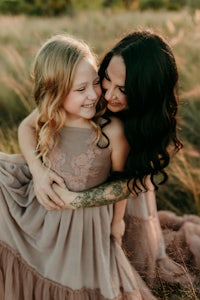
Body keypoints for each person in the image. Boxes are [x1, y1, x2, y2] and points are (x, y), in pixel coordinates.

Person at [18, 29, 199, 294]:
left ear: (145, 90)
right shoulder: (86, 91)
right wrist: (38, 170)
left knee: (135, 255)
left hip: (127, 185)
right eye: (106, 80)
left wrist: (79, 203)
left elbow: (127, 184)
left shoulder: (138, 127)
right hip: (89, 180)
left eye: (123, 88)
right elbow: (28, 125)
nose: (108, 94)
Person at [0, 33, 158, 299]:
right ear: (57, 93)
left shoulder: (111, 130)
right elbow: (25, 127)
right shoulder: (54, 113)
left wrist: (117, 222)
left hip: (84, 226)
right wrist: (39, 174)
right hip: (42, 210)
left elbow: (122, 182)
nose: (93, 95)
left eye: (95, 83)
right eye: (80, 89)